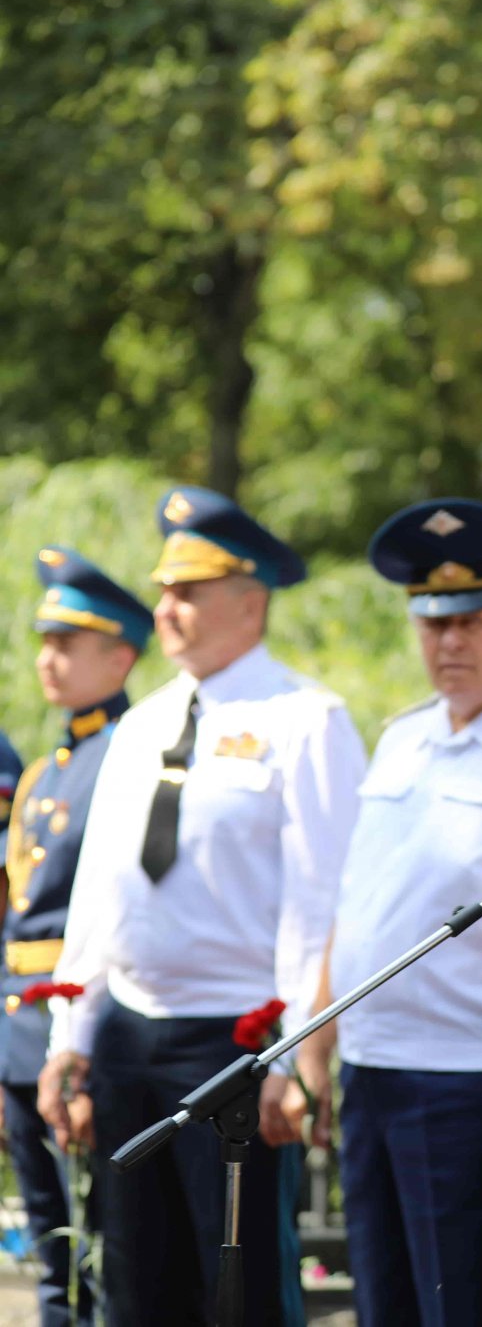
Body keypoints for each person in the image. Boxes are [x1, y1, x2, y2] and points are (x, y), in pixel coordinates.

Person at [42, 486, 367, 1327]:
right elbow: (98, 896)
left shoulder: (307, 720)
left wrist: (296, 1055)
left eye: (188, 591)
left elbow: (321, 899)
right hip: (127, 1034)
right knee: (135, 1288)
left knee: (242, 1289)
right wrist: (69, 1040)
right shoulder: (140, 725)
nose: (165, 609)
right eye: (163, 590)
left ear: (250, 599)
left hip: (235, 1045)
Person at [289, 499, 482, 1327]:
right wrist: (318, 1042)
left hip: (465, 1079)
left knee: (465, 1303)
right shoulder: (402, 738)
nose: (449, 643)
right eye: (432, 624)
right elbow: (355, 901)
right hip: (372, 1071)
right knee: (383, 1303)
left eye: (473, 620)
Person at [5, 547, 150, 1326]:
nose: (46, 660)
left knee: (105, 1251)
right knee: (51, 1255)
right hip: (21, 1031)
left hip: (81, 1028)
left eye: (67, 643)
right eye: (45, 641)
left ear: (121, 654)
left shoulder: (132, 753)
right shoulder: (46, 769)